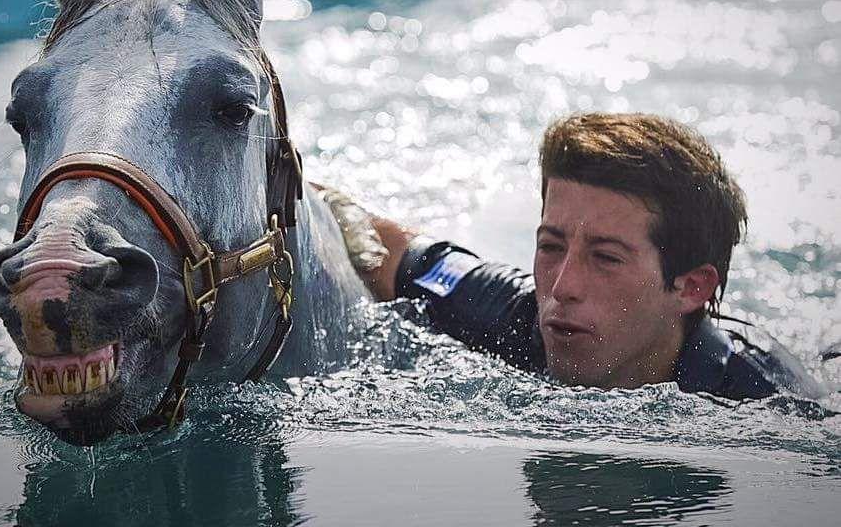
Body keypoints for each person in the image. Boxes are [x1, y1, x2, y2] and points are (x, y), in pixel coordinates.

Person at [323, 112, 823, 401]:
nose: (561, 287)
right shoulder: (514, 314)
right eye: (551, 246)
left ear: (691, 287)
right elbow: (376, 245)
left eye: (605, 258)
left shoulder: (761, 398)